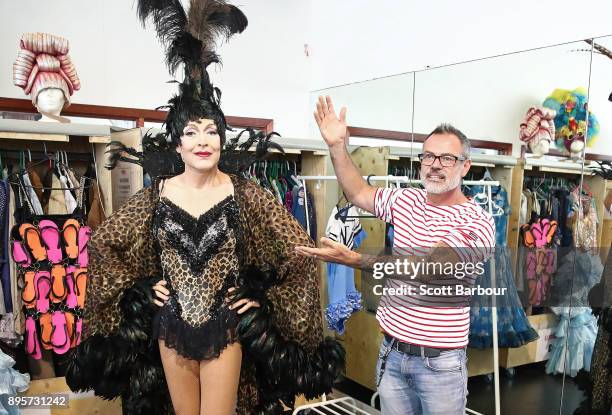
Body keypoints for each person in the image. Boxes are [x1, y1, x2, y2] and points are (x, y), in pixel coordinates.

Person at [65, 3, 344, 415]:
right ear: (177, 144)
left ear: (222, 139)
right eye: (192, 132)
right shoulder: (156, 196)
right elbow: (104, 244)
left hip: (224, 328)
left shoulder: (246, 194)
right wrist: (139, 291)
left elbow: (297, 251)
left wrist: (261, 297)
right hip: (169, 326)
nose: (203, 140)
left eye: (211, 131)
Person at [296, 96, 495, 415]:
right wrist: (336, 146)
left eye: (447, 158)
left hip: (440, 366)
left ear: (465, 166)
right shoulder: (407, 200)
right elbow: (358, 192)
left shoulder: (477, 221)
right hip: (392, 356)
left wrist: (358, 260)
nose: (435, 164)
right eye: (429, 156)